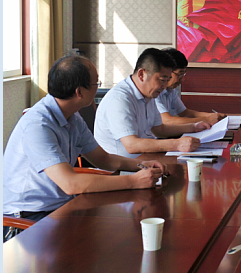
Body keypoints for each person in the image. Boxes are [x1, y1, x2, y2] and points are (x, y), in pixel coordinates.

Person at [3, 55, 166, 241]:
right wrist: (134, 181)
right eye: (96, 83)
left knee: (119, 233)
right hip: (28, 218)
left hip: (61, 206)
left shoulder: (72, 117)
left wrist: (142, 165)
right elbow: (70, 184)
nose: (98, 86)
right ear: (79, 92)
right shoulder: (38, 125)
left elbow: (104, 159)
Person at [95, 48, 209, 157]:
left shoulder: (148, 94)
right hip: (123, 166)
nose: (164, 86)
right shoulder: (120, 99)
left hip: (146, 159)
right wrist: (177, 144)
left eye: (168, 80)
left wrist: (194, 127)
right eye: (162, 80)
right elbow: (131, 145)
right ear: (142, 74)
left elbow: (159, 130)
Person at [156, 48, 226, 125]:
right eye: (180, 74)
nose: (182, 79)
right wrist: (207, 119)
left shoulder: (171, 90)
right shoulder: (154, 92)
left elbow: (184, 113)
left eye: (183, 74)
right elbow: (167, 121)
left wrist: (211, 116)